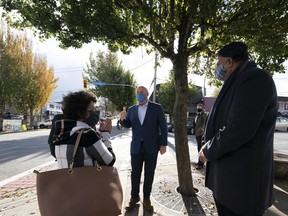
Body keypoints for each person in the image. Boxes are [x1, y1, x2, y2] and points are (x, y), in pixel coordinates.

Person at [199, 42, 277, 216]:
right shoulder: (238, 80)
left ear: (228, 62)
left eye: (218, 63)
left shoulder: (255, 78)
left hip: (242, 188)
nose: (217, 68)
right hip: (229, 186)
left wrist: (208, 151)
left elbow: (237, 130)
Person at [120, 85, 168, 211]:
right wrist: (122, 119)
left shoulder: (156, 108)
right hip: (136, 147)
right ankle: (134, 197)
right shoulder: (132, 109)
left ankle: (146, 198)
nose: (139, 94)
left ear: (147, 94)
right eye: (137, 92)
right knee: (135, 173)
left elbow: (163, 127)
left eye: (141, 92)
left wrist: (163, 144)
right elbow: (127, 125)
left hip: (152, 146)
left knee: (149, 173)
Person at [50, 90, 115, 168]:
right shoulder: (87, 134)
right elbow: (109, 161)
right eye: (92, 109)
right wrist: (105, 134)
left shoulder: (59, 132)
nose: (95, 112)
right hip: (85, 179)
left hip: (65, 179)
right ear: (80, 112)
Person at [193, 102, 207, 170]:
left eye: (200, 107)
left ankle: (201, 164)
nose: (198, 108)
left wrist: (202, 129)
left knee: (201, 149)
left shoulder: (203, 114)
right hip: (197, 134)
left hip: (201, 134)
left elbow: (206, 122)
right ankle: (199, 162)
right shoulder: (197, 115)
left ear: (202, 108)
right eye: (198, 107)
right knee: (198, 148)